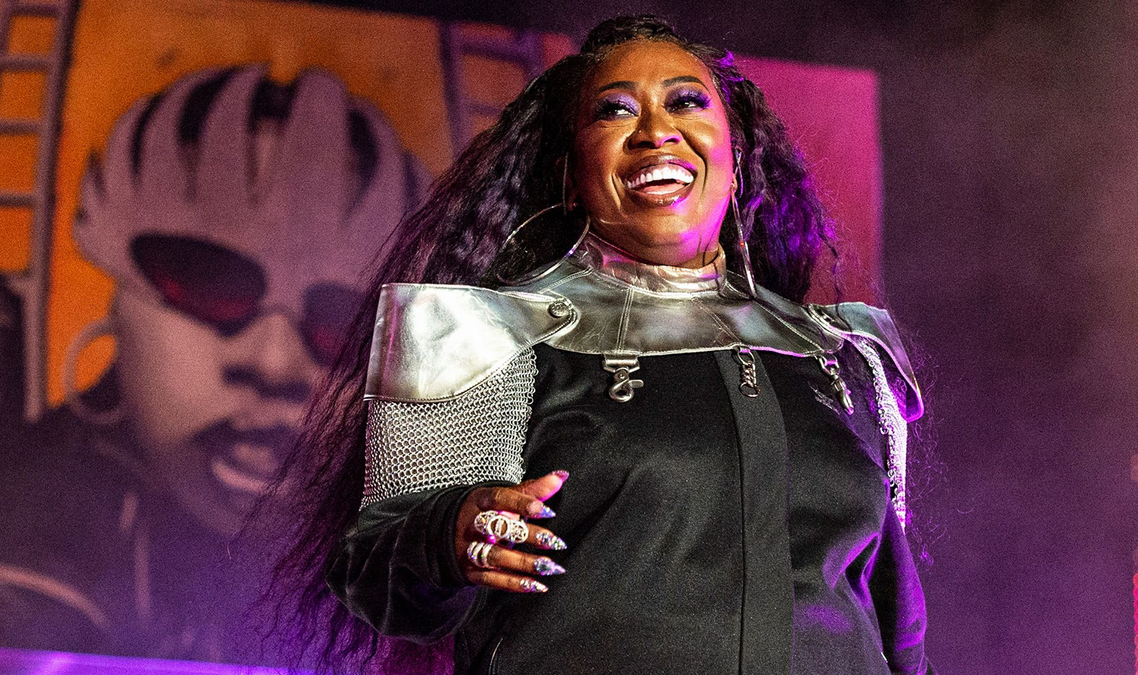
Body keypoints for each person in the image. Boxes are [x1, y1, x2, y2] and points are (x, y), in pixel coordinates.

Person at [273, 15, 933, 675]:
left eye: (686, 102)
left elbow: (898, 625)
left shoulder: (840, 352)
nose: (655, 131)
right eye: (615, 112)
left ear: (736, 161)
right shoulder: (488, 333)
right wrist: (449, 531)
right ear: (570, 177)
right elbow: (373, 572)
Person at [0, 64, 425, 660]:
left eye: (344, 320)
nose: (273, 362)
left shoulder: (420, 553)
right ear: (118, 309)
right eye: (209, 284)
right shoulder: (13, 523)